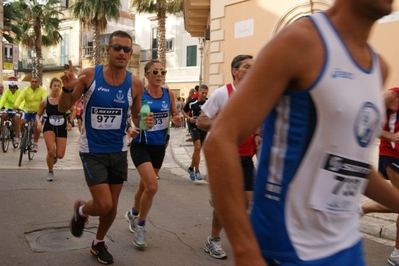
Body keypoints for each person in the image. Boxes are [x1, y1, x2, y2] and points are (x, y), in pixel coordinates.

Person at [203, 1, 399, 265]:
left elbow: (355, 167)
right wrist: (245, 250)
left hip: (348, 245)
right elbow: (219, 141)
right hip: (288, 247)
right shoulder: (300, 41)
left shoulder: (379, 67)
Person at [58, 30, 153, 265]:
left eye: (127, 49)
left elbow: (137, 119)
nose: (122, 52)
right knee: (103, 204)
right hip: (92, 150)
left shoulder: (136, 83)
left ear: (131, 54)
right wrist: (68, 89)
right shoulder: (90, 76)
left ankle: (98, 242)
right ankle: (82, 212)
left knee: (112, 206)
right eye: (117, 48)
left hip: (118, 151)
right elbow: (63, 108)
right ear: (107, 50)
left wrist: (145, 122)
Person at [197, 54, 259, 260]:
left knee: (245, 202)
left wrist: (257, 134)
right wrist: (225, 124)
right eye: (247, 66)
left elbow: (256, 121)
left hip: (246, 156)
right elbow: (201, 121)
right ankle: (213, 239)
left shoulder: (254, 94)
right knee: (227, 204)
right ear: (235, 71)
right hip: (225, 157)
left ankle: (221, 203)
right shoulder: (223, 93)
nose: (253, 69)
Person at [124, 59, 180, 249]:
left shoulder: (168, 93)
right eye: (155, 72)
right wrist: (134, 125)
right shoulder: (141, 93)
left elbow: (174, 115)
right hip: (141, 145)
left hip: (159, 147)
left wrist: (178, 119)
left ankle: (133, 213)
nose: (159, 75)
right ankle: (140, 225)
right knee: (152, 186)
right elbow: (132, 116)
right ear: (146, 75)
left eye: (162, 72)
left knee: (144, 187)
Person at [362, 87, 399, 266]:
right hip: (392, 155)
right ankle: (397, 254)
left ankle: (364, 209)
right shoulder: (392, 96)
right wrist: (392, 136)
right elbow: (367, 125)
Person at [36, 78, 75, 181]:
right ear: (50, 87)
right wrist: (39, 123)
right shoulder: (45, 101)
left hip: (62, 127)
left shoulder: (64, 100)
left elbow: (73, 110)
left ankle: (54, 157)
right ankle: (50, 171)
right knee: (50, 151)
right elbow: (38, 114)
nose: (57, 88)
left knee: (60, 155)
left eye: (58, 86)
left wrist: (71, 122)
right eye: (55, 86)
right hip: (49, 126)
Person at [182, 84, 208, 181]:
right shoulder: (192, 102)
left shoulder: (209, 102)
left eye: (206, 93)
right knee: (197, 147)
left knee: (198, 150)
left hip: (204, 127)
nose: (204, 95)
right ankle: (197, 171)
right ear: (198, 92)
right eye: (202, 93)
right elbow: (183, 112)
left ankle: (190, 168)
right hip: (194, 126)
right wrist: (189, 118)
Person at [14, 77, 47, 153]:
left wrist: (45, 109)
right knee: (22, 122)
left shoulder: (42, 90)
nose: (34, 83)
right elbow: (20, 98)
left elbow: (45, 100)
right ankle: (23, 138)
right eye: (32, 81)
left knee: (37, 124)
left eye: (36, 82)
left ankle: (35, 143)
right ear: (30, 82)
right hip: (27, 110)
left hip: (37, 112)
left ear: (38, 83)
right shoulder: (26, 89)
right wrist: (16, 105)